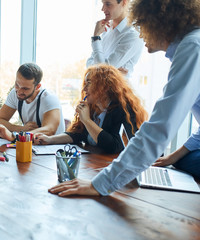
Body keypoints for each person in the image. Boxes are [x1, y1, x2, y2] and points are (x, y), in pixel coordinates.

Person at [49, 0, 200, 197]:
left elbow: (158, 129)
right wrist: (173, 156)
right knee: (182, 162)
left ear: (160, 21)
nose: (139, 32)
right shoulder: (191, 46)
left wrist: (99, 184)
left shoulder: (192, 47)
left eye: (141, 23)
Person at [34, 64, 147, 154]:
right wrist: (50, 139)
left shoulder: (123, 110)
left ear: (103, 86)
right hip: (95, 163)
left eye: (89, 83)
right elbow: (78, 134)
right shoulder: (93, 108)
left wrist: (87, 120)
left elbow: (114, 147)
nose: (84, 88)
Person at [0, 63, 65, 141]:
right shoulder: (15, 93)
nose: (19, 91)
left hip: (53, 148)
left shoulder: (48, 98)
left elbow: (50, 130)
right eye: (17, 85)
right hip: (31, 144)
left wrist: (16, 136)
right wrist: (22, 129)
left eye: (25, 88)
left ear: (37, 87)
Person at [86, 0, 144, 78]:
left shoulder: (132, 35)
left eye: (108, 4)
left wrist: (96, 38)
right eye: (102, 4)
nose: (103, 9)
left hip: (116, 90)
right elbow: (89, 65)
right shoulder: (106, 29)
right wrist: (108, 71)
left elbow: (101, 74)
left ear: (124, 2)